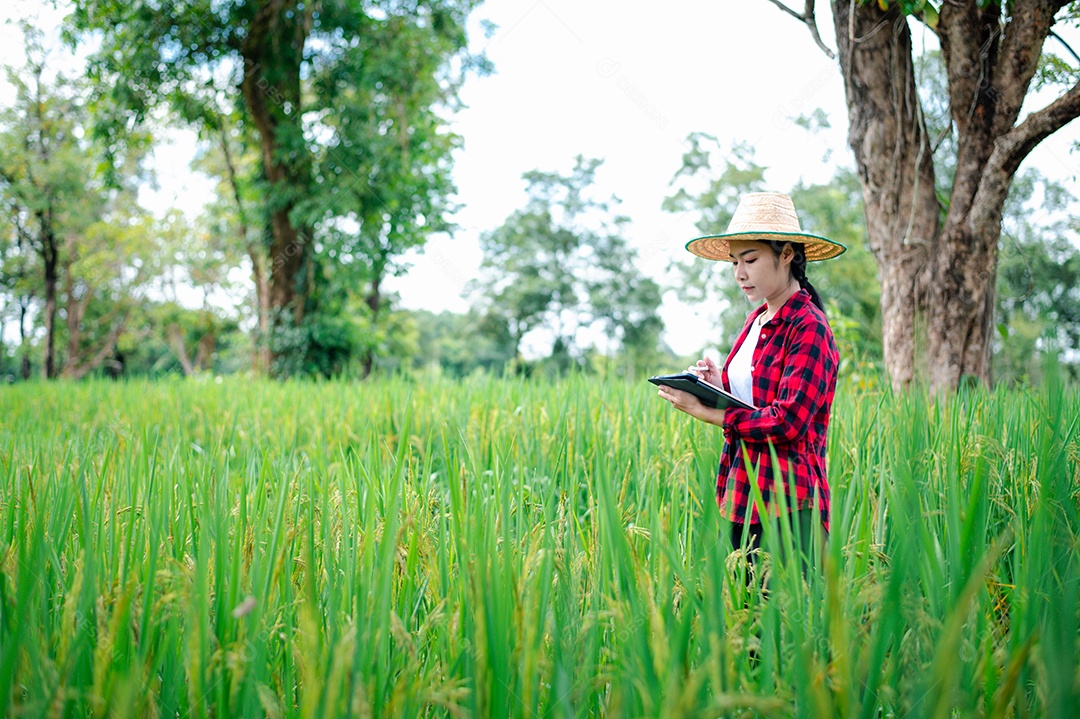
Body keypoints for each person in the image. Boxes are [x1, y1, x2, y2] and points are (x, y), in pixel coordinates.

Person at [656, 192, 845, 575]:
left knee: (788, 610)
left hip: (789, 503)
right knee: (742, 609)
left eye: (751, 260)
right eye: (734, 262)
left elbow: (787, 421)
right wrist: (717, 385)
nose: (739, 273)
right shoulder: (755, 321)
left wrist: (706, 412)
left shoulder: (809, 327)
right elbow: (753, 401)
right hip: (742, 494)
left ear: (787, 254)